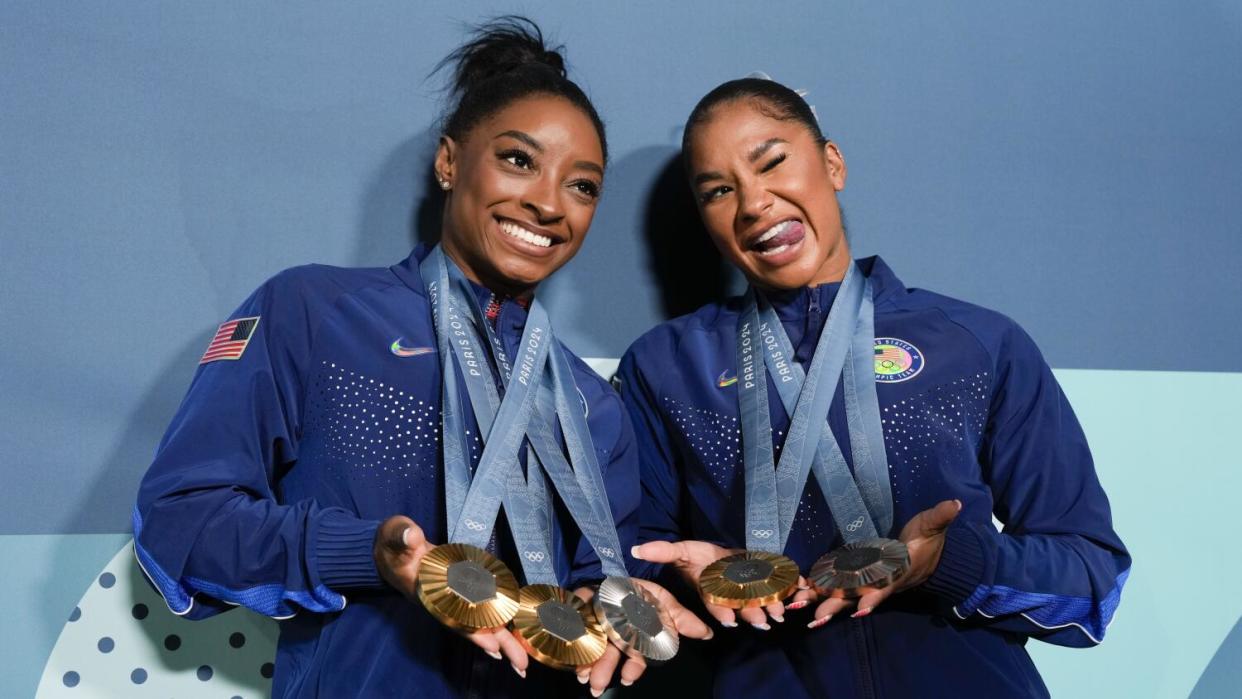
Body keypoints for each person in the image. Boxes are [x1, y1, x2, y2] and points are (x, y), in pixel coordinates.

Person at [133, 17, 707, 699]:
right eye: (519, 159)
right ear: (449, 162)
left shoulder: (593, 405)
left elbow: (588, 606)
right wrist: (373, 554)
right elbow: (180, 522)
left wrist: (627, 613)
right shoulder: (317, 313)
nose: (549, 203)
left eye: (582, 186)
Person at [620, 77, 1130, 698]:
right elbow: (632, 561)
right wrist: (685, 586)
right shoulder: (666, 365)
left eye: (773, 162)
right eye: (719, 191)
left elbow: (1090, 583)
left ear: (831, 162)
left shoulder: (976, 342)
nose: (753, 203)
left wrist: (948, 565)